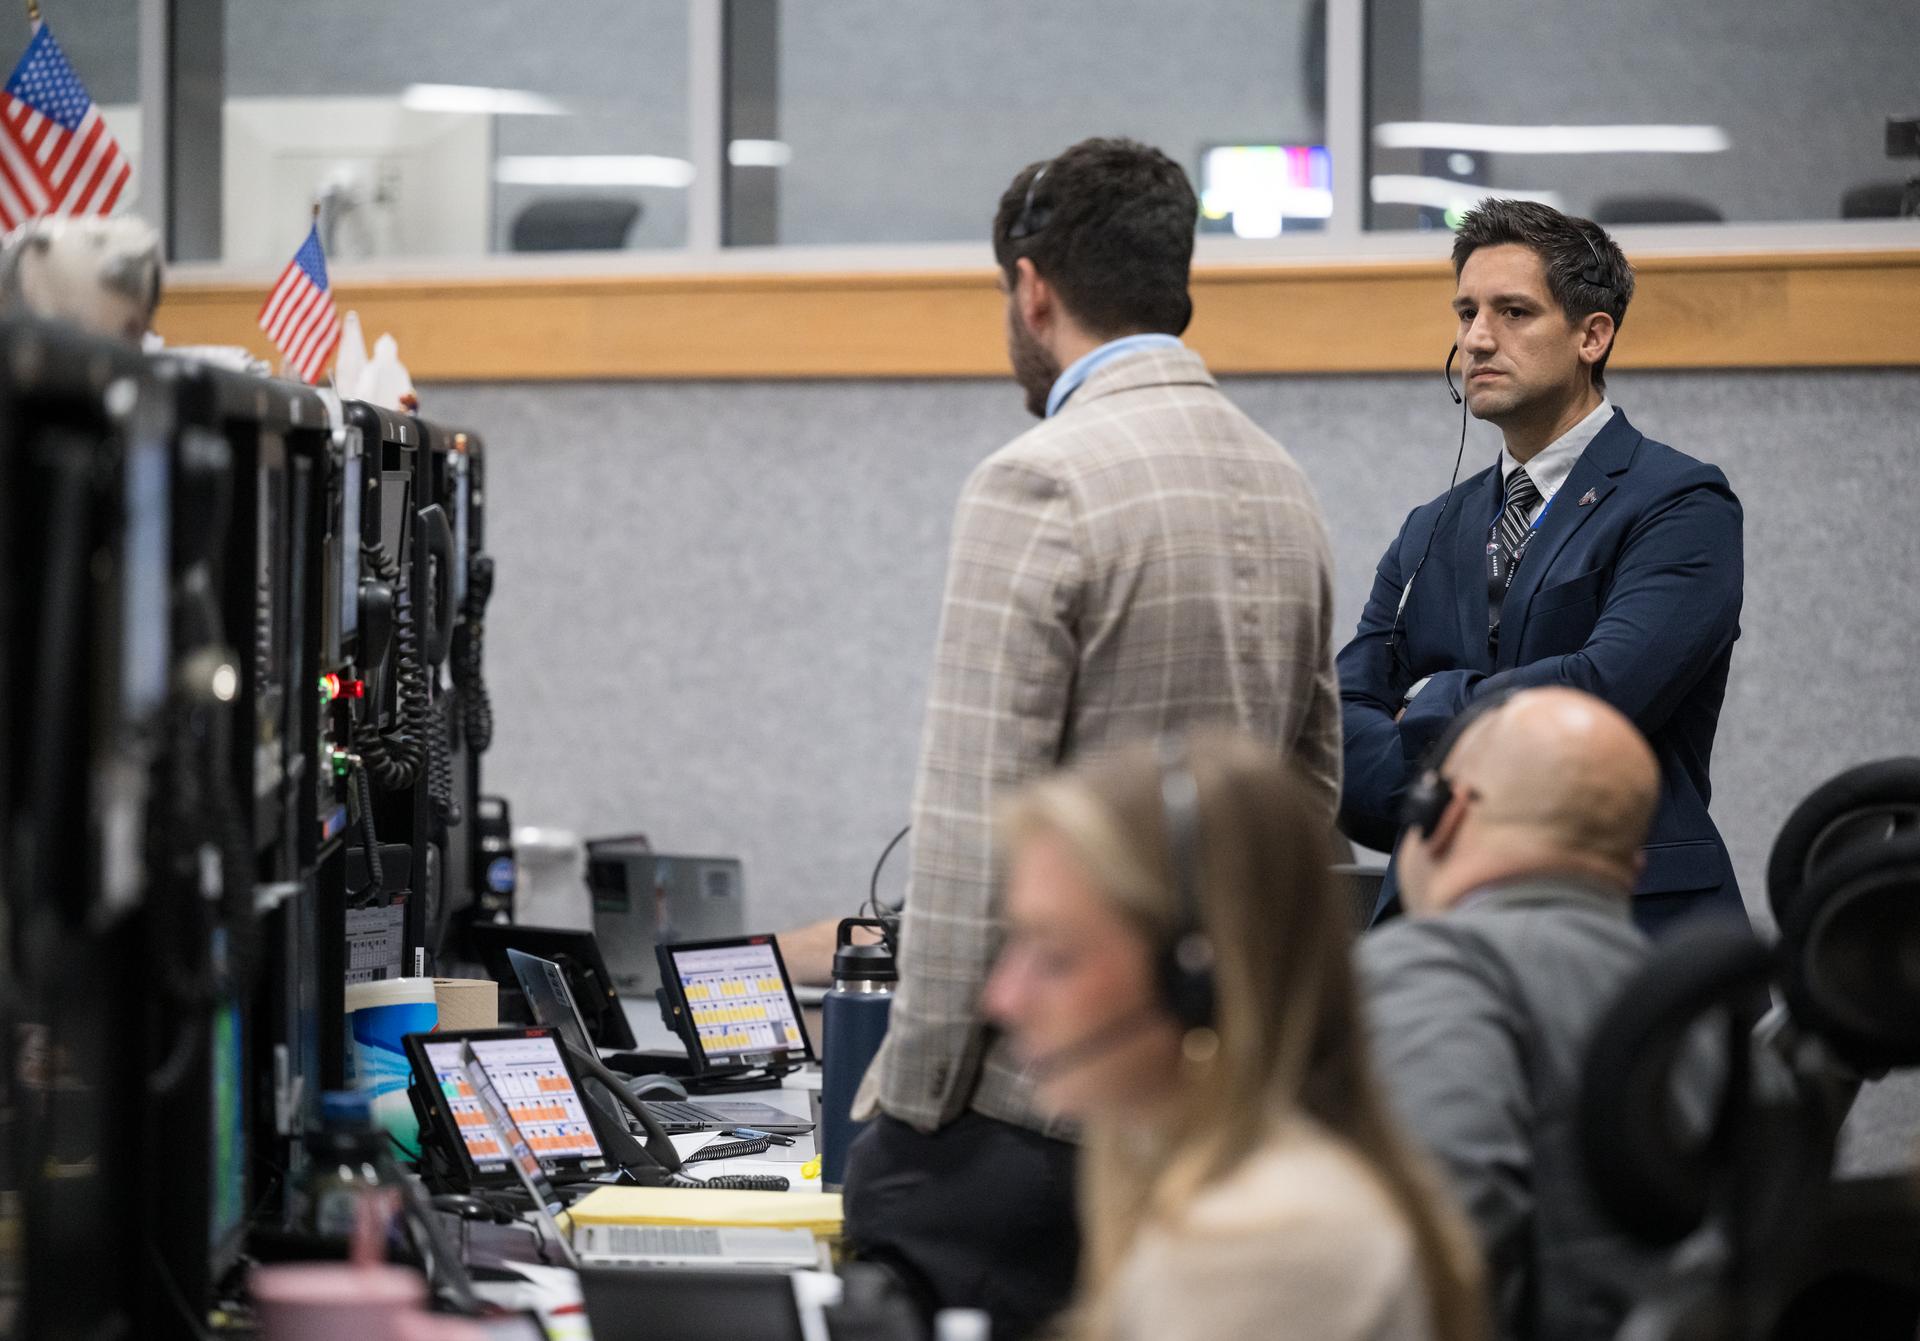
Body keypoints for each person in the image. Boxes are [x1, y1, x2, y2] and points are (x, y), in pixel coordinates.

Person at [843, 137, 1341, 1339]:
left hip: (1027, 1114)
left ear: (1032, 288)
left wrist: (906, 1110)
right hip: (1197, 1110)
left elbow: (972, 831)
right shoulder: (1282, 484)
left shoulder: (1038, 482)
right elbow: (1310, 798)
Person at [981, 733, 1483, 1341]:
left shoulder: (1262, 1239)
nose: (1002, 998)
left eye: (1056, 958)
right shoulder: (1189, 1168)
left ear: (1200, 980)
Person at [1337, 198, 1745, 934]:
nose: (1477, 340)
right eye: (1466, 313)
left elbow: (1601, 694)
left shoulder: (1680, 503)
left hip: (1625, 926)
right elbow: (1340, 723)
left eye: (1513, 312)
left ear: (1593, 335)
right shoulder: (1432, 527)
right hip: (1438, 926)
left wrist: (1430, 705)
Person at [1362, 685, 1700, 1341]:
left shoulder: (1434, 969)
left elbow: (1432, 1248)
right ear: (1630, 862)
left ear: (1445, 813)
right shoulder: (1695, 1005)